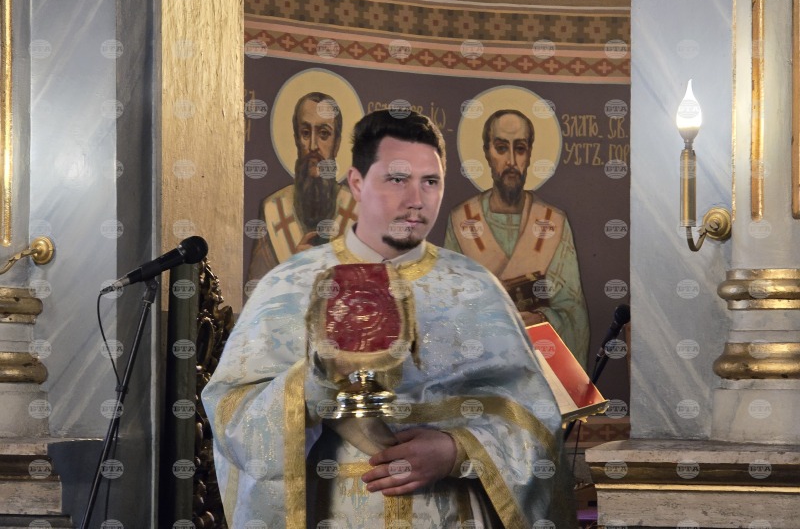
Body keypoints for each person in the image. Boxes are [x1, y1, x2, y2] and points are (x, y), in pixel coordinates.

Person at [203, 109, 577, 528]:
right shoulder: (288, 286)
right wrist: (318, 377)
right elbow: (234, 420)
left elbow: (535, 422)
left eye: (430, 181)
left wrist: (456, 450)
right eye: (397, 179)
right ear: (357, 183)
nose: (416, 199)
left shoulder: (476, 288)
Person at [445, 109, 591, 369]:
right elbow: (449, 308)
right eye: (501, 148)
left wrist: (541, 320)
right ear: (487, 153)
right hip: (484, 367)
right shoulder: (462, 220)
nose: (511, 161)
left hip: (539, 365)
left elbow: (573, 313)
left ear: (530, 154)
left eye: (520, 149)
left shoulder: (553, 222)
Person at [247, 91, 358, 282]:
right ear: (296, 139)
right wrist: (291, 273)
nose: (313, 145)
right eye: (306, 133)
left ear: (337, 143)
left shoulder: (357, 210)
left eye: (324, 134)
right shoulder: (273, 210)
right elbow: (257, 293)